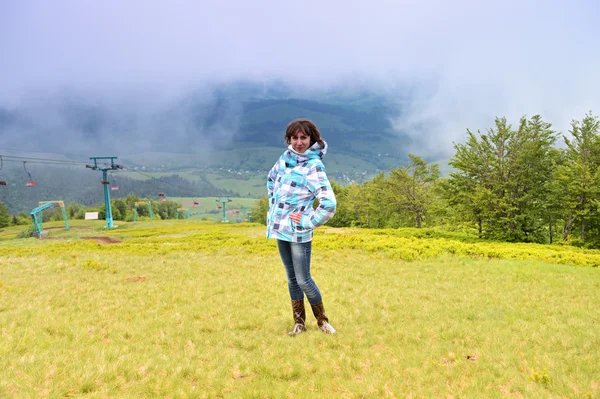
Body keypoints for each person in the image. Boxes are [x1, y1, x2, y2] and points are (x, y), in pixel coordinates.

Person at [266, 118, 337, 336]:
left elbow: (329, 203)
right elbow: (271, 179)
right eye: (294, 138)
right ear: (289, 139)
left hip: (299, 233)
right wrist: (276, 209)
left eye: (303, 137)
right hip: (281, 229)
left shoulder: (313, 166)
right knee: (291, 280)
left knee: (304, 279)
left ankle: (323, 322)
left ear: (311, 139)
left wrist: (307, 221)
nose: (299, 142)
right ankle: (299, 323)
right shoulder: (285, 159)